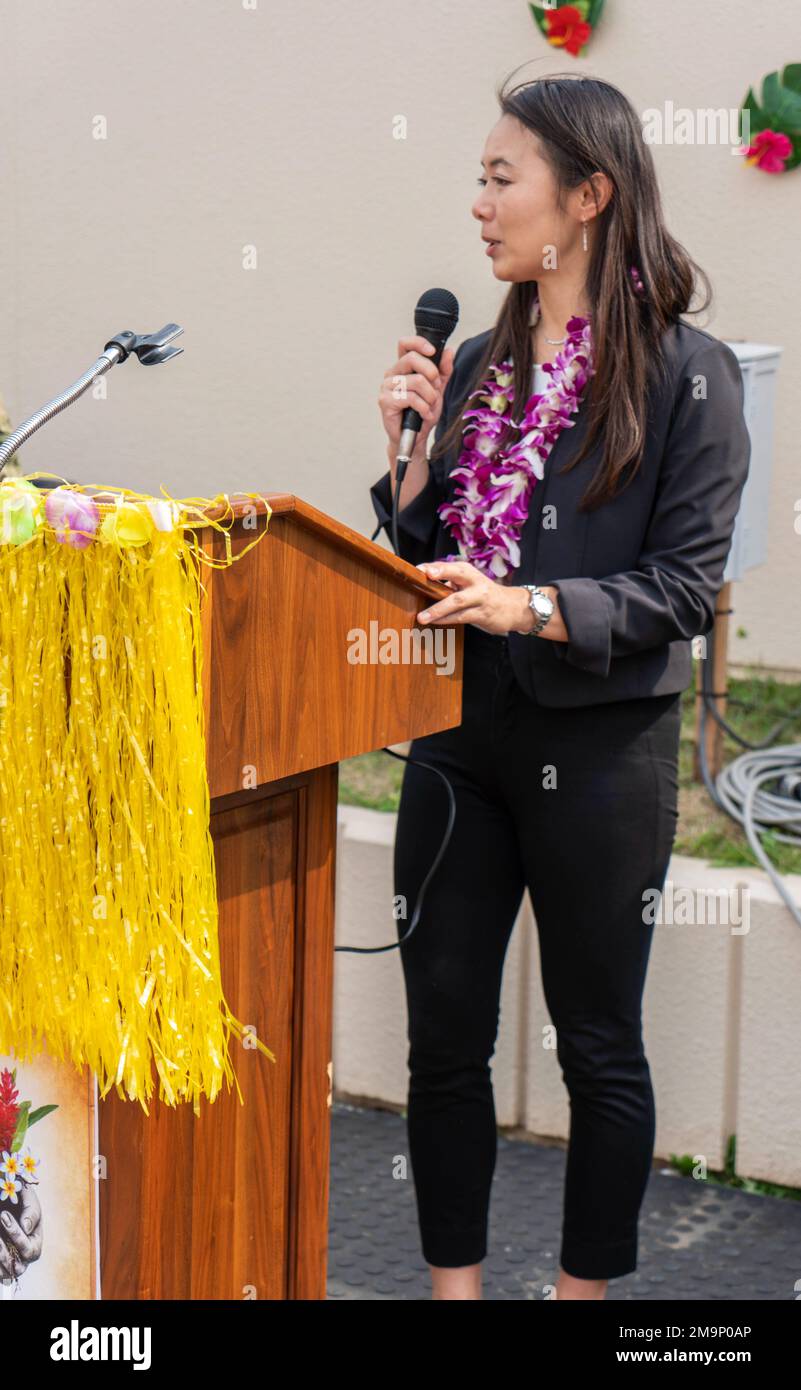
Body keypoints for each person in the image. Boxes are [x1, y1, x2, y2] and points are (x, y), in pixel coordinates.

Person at [369, 71, 751, 1301]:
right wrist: (409, 458)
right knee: (442, 1045)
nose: (479, 205)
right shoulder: (478, 358)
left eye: (501, 179)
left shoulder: (688, 376)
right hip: (459, 734)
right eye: (479, 179)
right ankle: (455, 1292)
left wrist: (537, 604)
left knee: (598, 1051)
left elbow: (685, 587)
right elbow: (426, 553)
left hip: (601, 749)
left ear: (586, 197)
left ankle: (583, 1303)